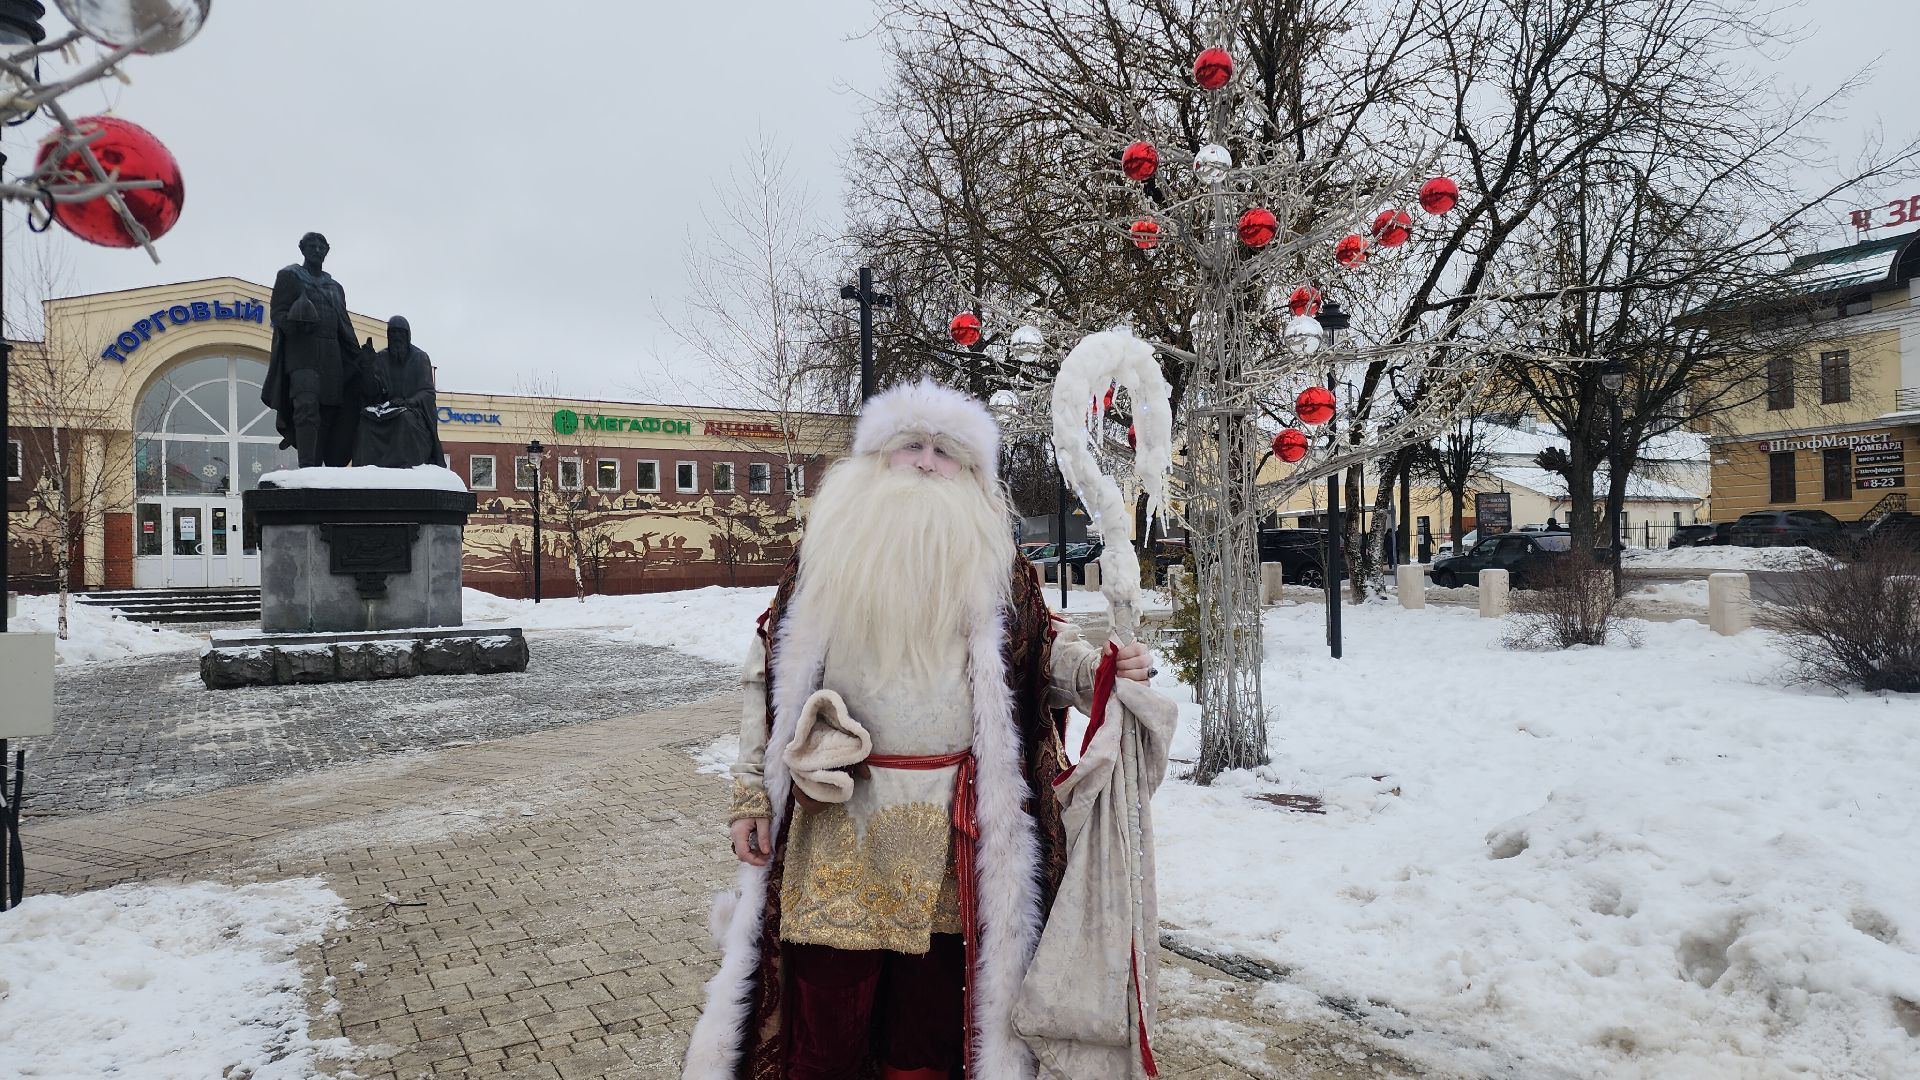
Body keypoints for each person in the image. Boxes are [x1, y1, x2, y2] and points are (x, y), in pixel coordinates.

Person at [683, 380, 1153, 1080]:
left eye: (947, 453)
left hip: (954, 839)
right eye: (912, 447)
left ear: (972, 476)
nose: (929, 463)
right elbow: (768, 678)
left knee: (931, 1030)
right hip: (839, 825)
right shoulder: (822, 567)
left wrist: (1103, 673)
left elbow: (1042, 652)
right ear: (876, 460)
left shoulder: (1003, 574)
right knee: (826, 1023)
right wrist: (751, 794)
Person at [262, 232, 367, 467]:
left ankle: (325, 470)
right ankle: (308, 469)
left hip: (332, 355)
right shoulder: (290, 276)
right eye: (312, 245)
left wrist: (358, 357)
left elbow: (344, 324)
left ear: (327, 250)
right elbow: (277, 313)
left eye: (322, 246)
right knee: (306, 407)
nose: (317, 249)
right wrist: (296, 323)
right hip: (302, 352)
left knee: (330, 411)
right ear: (302, 248)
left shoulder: (335, 287)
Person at [353, 315, 445, 468]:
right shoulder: (381, 358)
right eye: (393, 333)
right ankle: (366, 470)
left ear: (407, 335)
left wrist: (408, 402)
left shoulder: (419, 358)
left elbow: (427, 392)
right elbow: (372, 393)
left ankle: (402, 468)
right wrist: (367, 367)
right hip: (385, 411)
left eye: (400, 333)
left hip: (413, 413)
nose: (396, 337)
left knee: (404, 419)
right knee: (365, 420)